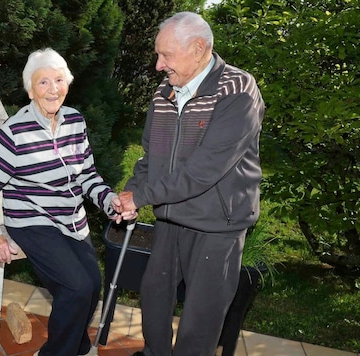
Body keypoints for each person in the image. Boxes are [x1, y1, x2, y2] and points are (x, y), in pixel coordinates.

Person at [0, 48, 136, 356]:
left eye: (59, 80)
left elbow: (87, 175)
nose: (52, 89)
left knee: (92, 285)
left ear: (67, 84)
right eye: (43, 82)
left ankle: (78, 347)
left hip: (71, 219)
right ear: (31, 90)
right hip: (32, 220)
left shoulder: (74, 121)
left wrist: (110, 200)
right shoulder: (15, 131)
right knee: (76, 287)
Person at [118, 12, 265, 356]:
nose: (158, 65)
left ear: (199, 48)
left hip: (217, 224)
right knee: (154, 295)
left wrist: (142, 197)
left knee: (201, 316)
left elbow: (204, 170)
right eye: (158, 55)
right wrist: (128, 193)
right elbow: (149, 156)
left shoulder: (237, 90)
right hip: (171, 216)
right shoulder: (163, 93)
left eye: (166, 55)